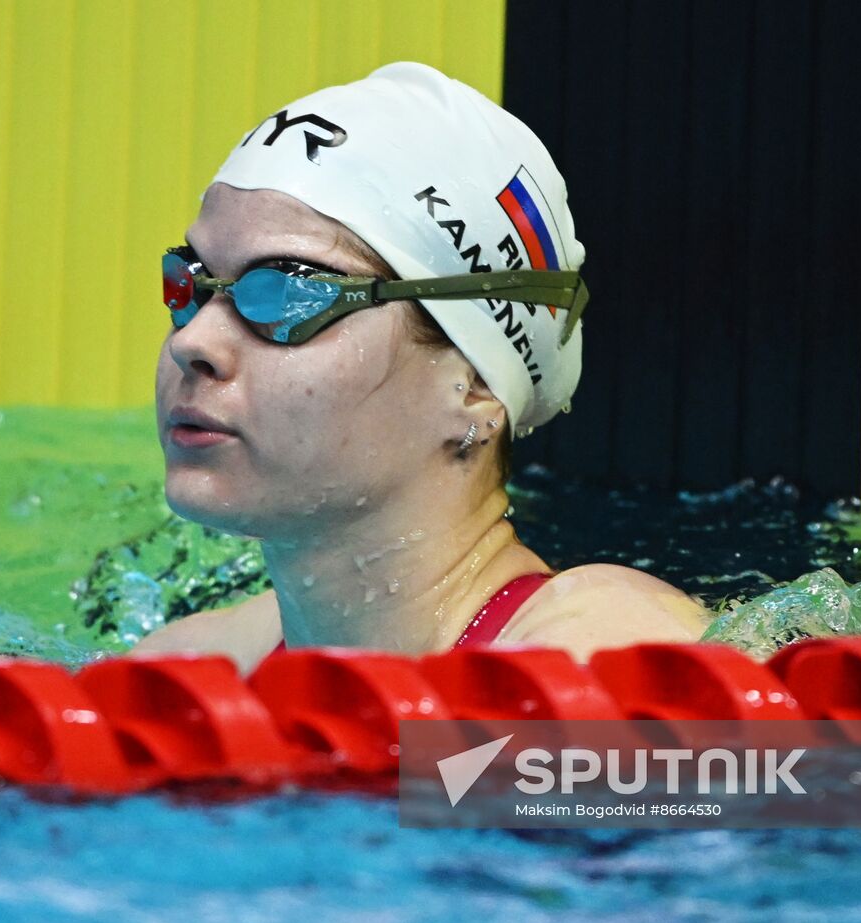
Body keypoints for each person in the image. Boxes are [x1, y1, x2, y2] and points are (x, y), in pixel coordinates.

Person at [133, 62, 709, 672]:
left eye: (291, 292)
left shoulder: (608, 653)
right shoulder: (187, 666)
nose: (191, 341)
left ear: (477, 386)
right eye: (192, 284)